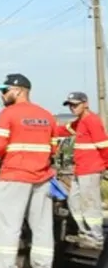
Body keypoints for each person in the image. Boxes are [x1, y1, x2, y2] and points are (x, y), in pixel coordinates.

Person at [0, 73, 59, 268]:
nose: (2, 94)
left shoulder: (8, 114)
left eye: (5, 90)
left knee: (9, 227)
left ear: (18, 91)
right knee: (43, 227)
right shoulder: (47, 116)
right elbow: (53, 148)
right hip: (42, 177)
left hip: (14, 176)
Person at [54, 91, 108, 250]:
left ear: (85, 104)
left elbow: (103, 146)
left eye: (75, 105)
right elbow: (63, 130)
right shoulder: (80, 122)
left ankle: (96, 237)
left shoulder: (92, 121)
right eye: (70, 105)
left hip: (90, 170)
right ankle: (85, 232)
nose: (72, 108)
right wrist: (46, 128)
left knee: (90, 204)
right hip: (81, 170)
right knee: (74, 201)